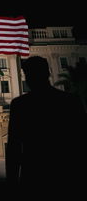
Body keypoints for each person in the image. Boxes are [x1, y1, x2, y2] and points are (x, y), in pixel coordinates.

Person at [6, 56, 86, 196]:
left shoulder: (20, 105)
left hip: (33, 174)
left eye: (29, 74)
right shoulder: (70, 101)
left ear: (26, 76)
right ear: (48, 72)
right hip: (65, 175)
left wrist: (11, 184)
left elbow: (14, 147)